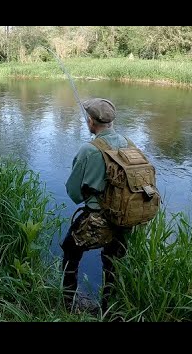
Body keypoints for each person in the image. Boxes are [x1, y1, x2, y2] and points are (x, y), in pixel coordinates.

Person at [61, 98, 132, 313]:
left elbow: (73, 192)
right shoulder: (128, 143)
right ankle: (108, 310)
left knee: (69, 253)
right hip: (125, 217)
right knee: (112, 263)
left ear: (91, 121)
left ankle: (66, 306)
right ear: (111, 121)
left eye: (87, 120)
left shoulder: (88, 150)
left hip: (97, 218)